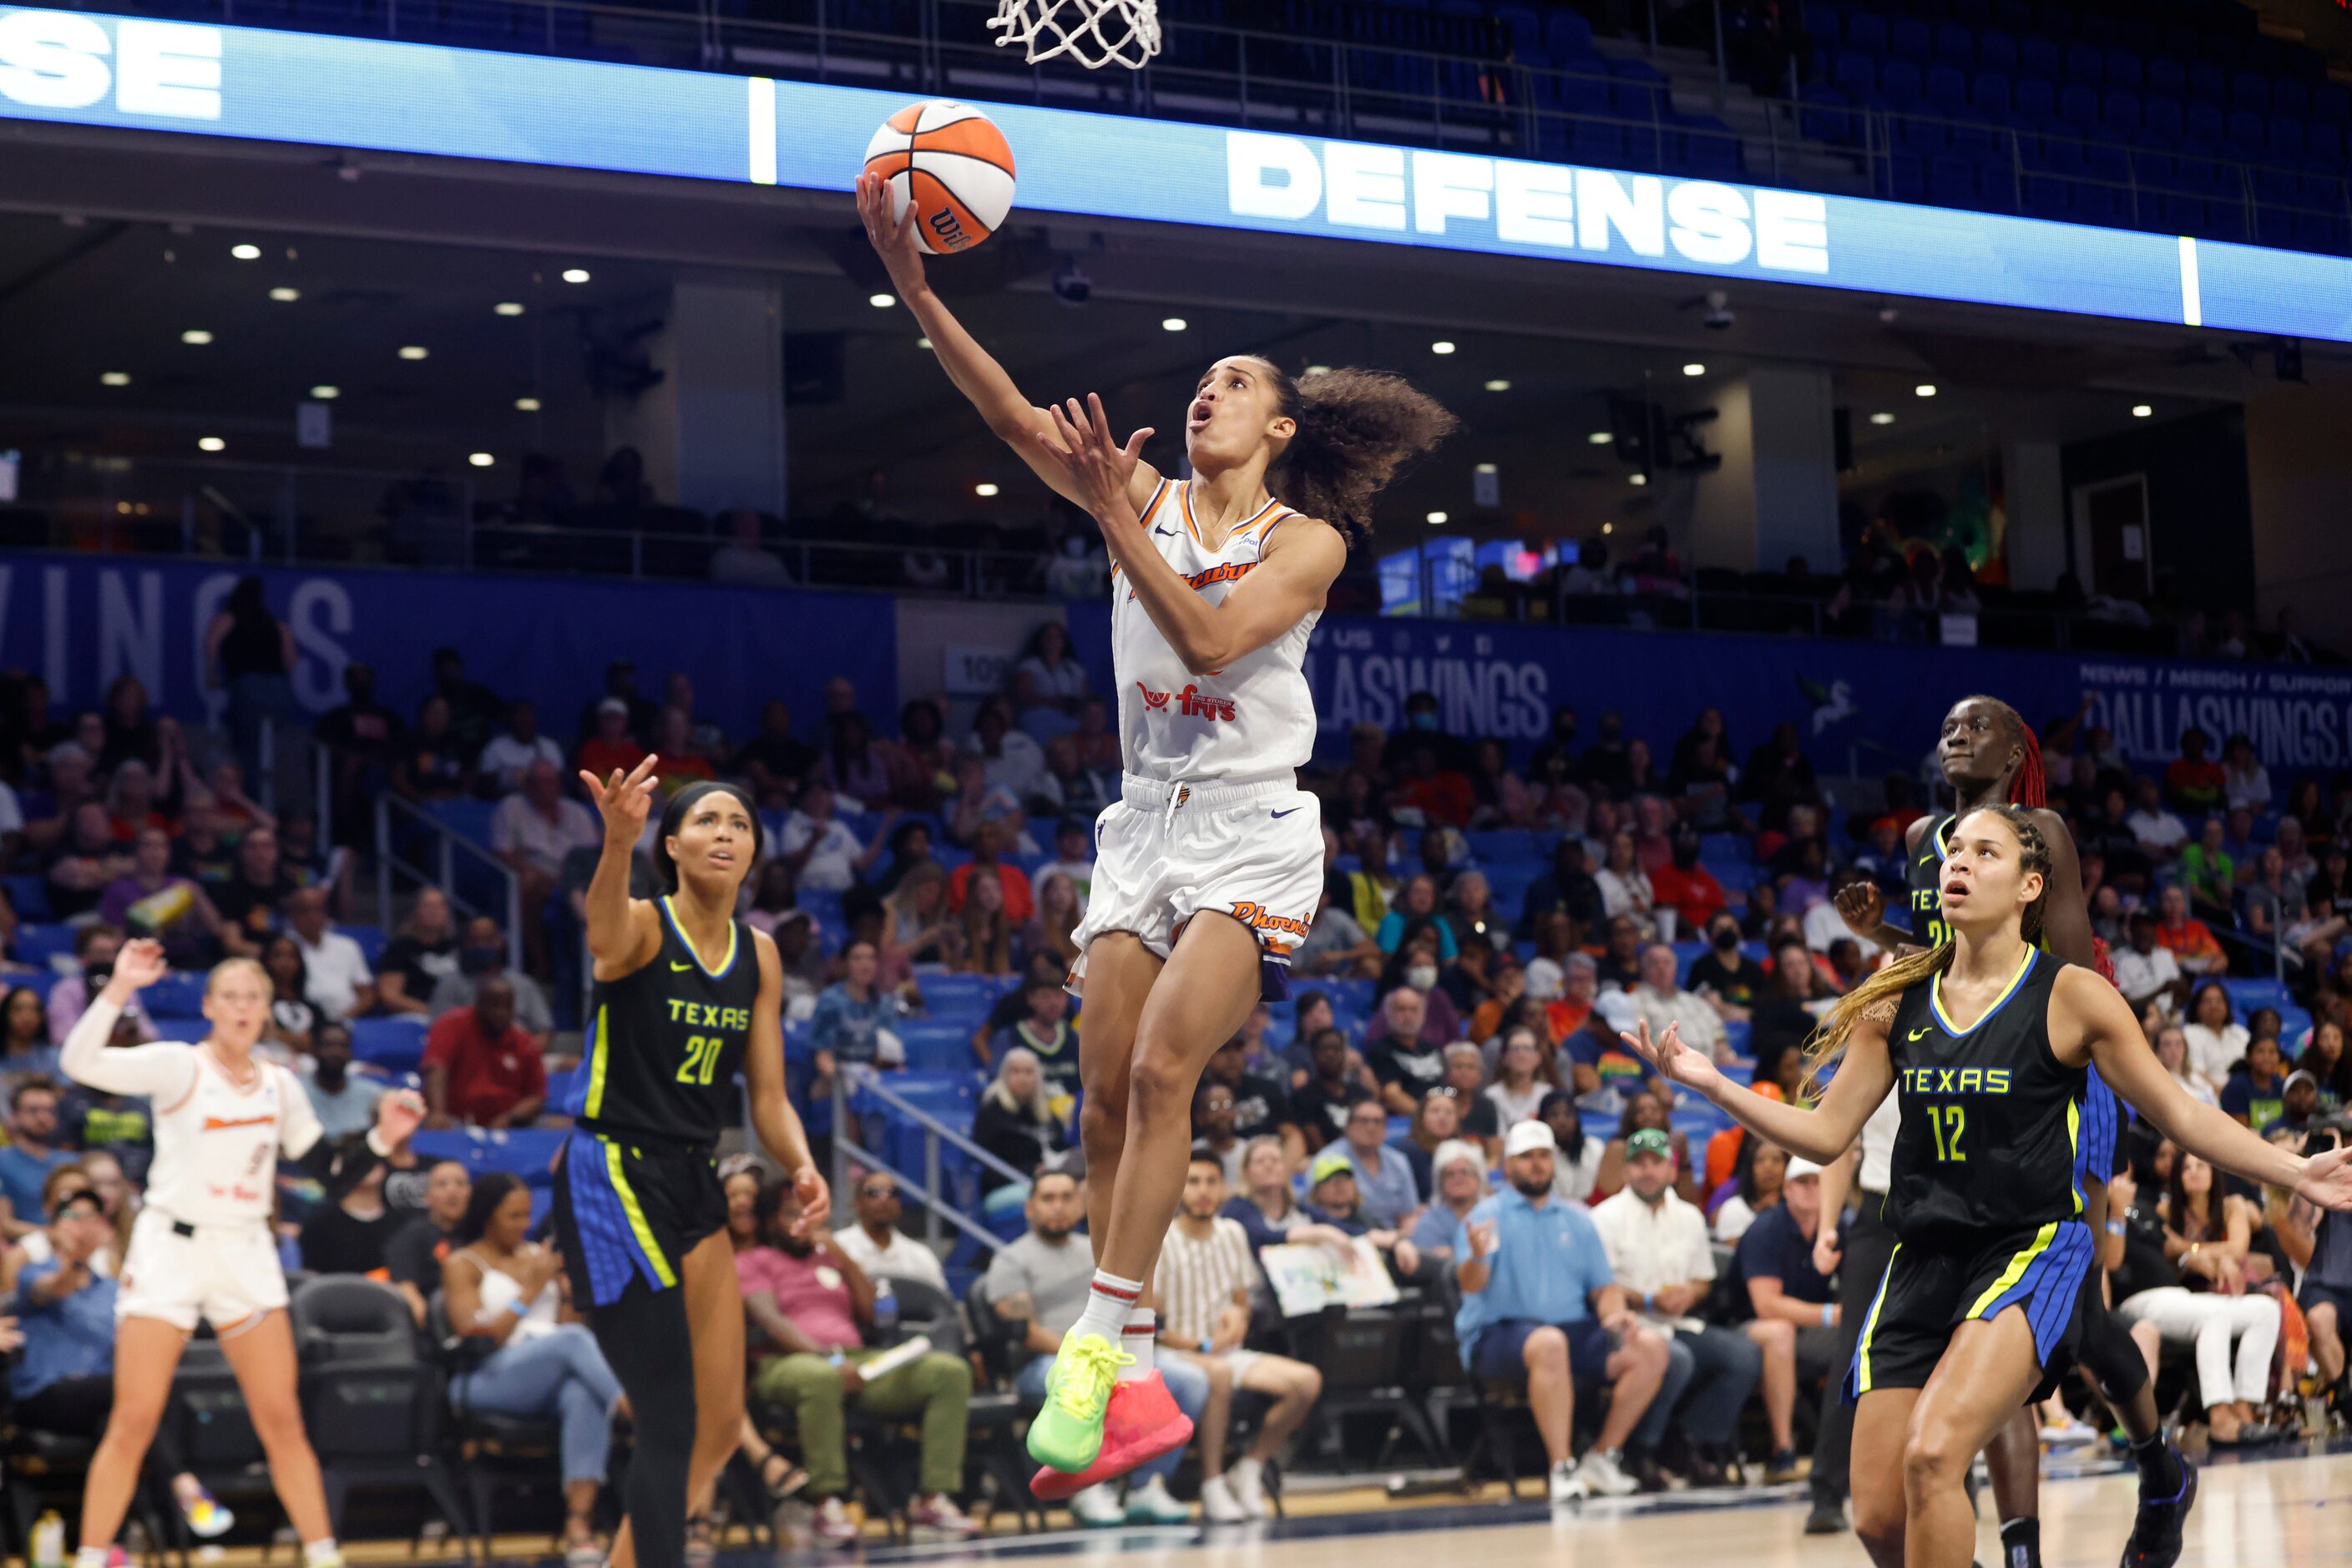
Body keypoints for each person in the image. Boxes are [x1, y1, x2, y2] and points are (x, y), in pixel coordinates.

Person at [863, 168, 1457, 1498]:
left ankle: (1092, 1342)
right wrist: (913, 282)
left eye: (1235, 382)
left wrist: (1112, 509)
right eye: (1200, 381)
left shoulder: (1310, 544)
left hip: (1251, 831)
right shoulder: (1127, 487)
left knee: (1161, 1073)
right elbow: (1003, 407)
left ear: (1281, 422)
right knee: (1100, 1098)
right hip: (1141, 825)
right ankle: (1132, 1370)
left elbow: (1202, 635)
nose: (1208, 392)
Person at [1623, 802, 2352, 1568]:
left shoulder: (2069, 995)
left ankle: (2147, 1478)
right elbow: (1824, 1133)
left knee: (1933, 1455)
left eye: (1983, 852)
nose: (1957, 865)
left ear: (2030, 884)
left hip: (2030, 1245)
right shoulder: (1895, 997)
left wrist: (2294, 1169)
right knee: (1877, 1518)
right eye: (1951, 853)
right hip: (1923, 1255)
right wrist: (1713, 1084)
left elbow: (2178, 1113)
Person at [1832, 694, 2165, 1565]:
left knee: (2079, 1312)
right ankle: (2017, 1550)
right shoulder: (1916, 841)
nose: (1956, 738)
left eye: (1976, 728)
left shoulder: (2040, 831)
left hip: (2056, 1062)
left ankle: (2159, 1468)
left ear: (2017, 751)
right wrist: (1885, 934)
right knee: (1997, 1322)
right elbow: (1958, 952)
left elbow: (2050, 962)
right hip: (1968, 1057)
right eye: (1946, 727)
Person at [56, 943, 423, 1568]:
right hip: (172, 1246)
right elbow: (79, 1061)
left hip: (246, 1250)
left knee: (281, 1418)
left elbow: (332, 1175)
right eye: (229, 996)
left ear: (267, 1009)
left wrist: (382, 1139)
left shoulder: (280, 1084)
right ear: (208, 1008)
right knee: (134, 1418)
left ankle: (323, 1553)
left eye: (253, 997)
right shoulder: (179, 1066)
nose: (242, 1007)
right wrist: (119, 987)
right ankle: (91, 1558)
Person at [555, 767, 827, 1568]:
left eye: (739, 824)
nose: (725, 833)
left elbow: (768, 1096)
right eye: (706, 820)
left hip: (692, 1172)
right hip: (612, 1170)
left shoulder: (761, 956)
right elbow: (601, 935)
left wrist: (803, 1164)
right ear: (671, 845)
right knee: (668, 1414)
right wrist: (614, 841)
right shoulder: (640, 925)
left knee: (714, 1424)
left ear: (753, 854)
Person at [1454, 1119, 1670, 1503]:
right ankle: (1562, 1467)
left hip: (1571, 1329)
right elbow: (1470, 1285)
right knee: (1549, 1343)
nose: (1536, 1164)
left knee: (1650, 1347)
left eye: (1543, 1156)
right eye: (1526, 1157)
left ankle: (1602, 1456)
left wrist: (1615, 1314)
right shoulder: (1486, 1216)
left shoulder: (1577, 1218)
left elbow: (1604, 1288)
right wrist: (1477, 1255)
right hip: (1499, 1334)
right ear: (1507, 1165)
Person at [7, 1181, 236, 1542]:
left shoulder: (113, 1291)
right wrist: (76, 1258)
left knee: (117, 1427)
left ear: (105, 1228)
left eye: (90, 1216)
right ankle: (184, 1485)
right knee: (133, 1397)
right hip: (44, 1396)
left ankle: (111, 1543)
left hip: (102, 1400)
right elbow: (51, 1289)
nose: (81, 1224)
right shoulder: (34, 1271)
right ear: (54, 1226)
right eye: (71, 1216)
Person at [983, 1169, 1210, 1525]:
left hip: (1114, 1351)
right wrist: (1086, 1359)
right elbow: (1022, 1328)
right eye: (1048, 1198)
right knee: (1086, 1382)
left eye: (1066, 1198)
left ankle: (1145, 1486)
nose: (1057, 1207)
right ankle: (1088, 1488)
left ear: (1081, 1205)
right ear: (1029, 1208)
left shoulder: (1103, 1249)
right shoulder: (1011, 1259)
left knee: (1191, 1380)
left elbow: (1151, 1302)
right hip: (1048, 1360)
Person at [443, 1172, 628, 1567]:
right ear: (488, 1215)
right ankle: (633, 1410)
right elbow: (479, 1339)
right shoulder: (463, 1263)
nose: (523, 1224)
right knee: (574, 1343)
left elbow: (564, 1328)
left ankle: (579, 1524)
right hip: (487, 1375)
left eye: (527, 1215)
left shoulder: (538, 1257)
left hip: (549, 1368)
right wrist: (530, 1289)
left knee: (582, 1392)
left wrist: (563, 1291)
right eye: (513, 1216)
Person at [1151, 1156, 1324, 1520]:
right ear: (1179, 1189)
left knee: (1306, 1382)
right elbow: (1157, 1328)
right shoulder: (1161, 1240)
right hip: (1173, 1354)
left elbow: (1242, 1304)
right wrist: (1203, 1346)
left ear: (1224, 1188)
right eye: (1194, 1181)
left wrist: (1237, 1319)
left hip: (1226, 1351)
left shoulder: (1233, 1232)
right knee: (1218, 1373)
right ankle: (1211, 1483)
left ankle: (1249, 1466)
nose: (1203, 1191)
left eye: (1211, 1181)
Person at [1592, 1127, 1764, 1489]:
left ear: (1672, 1170)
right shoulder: (1604, 1218)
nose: (1648, 1171)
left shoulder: (1689, 1216)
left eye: (1656, 1162)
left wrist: (1690, 1294)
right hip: (1630, 1327)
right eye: (1639, 1164)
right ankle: (1642, 1450)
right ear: (1625, 1171)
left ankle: (1690, 1442)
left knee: (1743, 1354)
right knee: (1675, 1357)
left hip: (1681, 1321)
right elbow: (1598, 1287)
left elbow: (1703, 1278)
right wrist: (1649, 1300)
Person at [2106, 1153, 2285, 1447]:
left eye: (2124, 1163)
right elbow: (2111, 1263)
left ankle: (2244, 1407)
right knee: (2214, 1316)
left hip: (2179, 1296)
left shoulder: (2147, 1210)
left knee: (2266, 1310)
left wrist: (2203, 1259)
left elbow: (2174, 1253)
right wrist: (2115, 1211)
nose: (2122, 1172)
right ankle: (2220, 1418)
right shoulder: (2101, 1207)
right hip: (2140, 1301)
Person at [1732, 1153, 1843, 1484]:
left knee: (1867, 1333)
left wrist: (1840, 1316)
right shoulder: (1766, 1230)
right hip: (1747, 1328)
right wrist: (1829, 1314)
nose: (1810, 1190)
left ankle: (1856, 1447)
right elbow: (1766, 1305)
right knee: (1779, 1331)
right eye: (1801, 1182)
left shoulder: (1839, 1228)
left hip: (1811, 1331)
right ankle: (1783, 1452)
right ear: (1786, 1189)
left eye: (1816, 1182)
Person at [492, 760, 602, 977]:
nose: (545, 788)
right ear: (527, 785)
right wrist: (541, 874)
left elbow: (592, 856)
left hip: (576, 880)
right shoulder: (511, 808)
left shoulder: (577, 812)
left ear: (559, 784)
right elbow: (501, 853)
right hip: (537, 880)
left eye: (550, 782)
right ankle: (540, 962)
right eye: (538, 782)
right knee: (528, 883)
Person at [204, 576, 297, 784]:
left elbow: (212, 644)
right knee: (264, 744)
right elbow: (291, 658)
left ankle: (251, 792)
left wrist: (211, 674)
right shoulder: (276, 624)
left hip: (247, 685)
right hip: (278, 689)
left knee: (246, 746)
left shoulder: (229, 618)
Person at [422, 977, 547, 1130]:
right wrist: (438, 1112)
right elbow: (436, 1069)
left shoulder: (524, 1042)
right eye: (494, 1005)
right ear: (479, 1004)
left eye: (506, 1006)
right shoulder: (452, 1024)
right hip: (456, 1121)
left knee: (563, 1127)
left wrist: (509, 1118)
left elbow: (536, 1095)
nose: (500, 1013)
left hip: (509, 1125)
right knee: (433, 1124)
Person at [972, 1048, 1070, 1199]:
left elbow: (1063, 1147)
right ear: (1004, 1075)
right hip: (1006, 1186)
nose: (1023, 1078)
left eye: (1029, 1072)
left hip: (1050, 1179)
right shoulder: (991, 1113)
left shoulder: (1045, 1112)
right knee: (1054, 1195)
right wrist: (1031, 1172)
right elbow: (983, 1167)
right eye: (1015, 1071)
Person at [385, 1158, 471, 1328]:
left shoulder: (479, 1231)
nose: (452, 1191)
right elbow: (405, 1286)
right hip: (436, 1320)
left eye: (460, 1184)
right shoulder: (413, 1234)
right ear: (427, 1196)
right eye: (442, 1184)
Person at [0, 1078, 75, 1237]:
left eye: (50, 1111)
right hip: (21, 1251)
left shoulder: (71, 1161)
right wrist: (54, 1236)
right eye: (33, 1110)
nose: (42, 1118)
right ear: (13, 1116)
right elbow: (4, 1224)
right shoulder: (3, 1161)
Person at [1334, 1098, 1418, 1229]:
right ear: (1348, 1127)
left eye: (1378, 1122)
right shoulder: (1330, 1160)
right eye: (1363, 1121)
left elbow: (1409, 1214)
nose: (1371, 1127)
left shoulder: (1398, 1161)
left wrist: (1401, 1237)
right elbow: (1320, 1211)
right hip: (1346, 1234)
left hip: (1393, 1238)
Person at [377, 888, 460, 1017]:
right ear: (415, 912)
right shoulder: (399, 949)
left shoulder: (459, 946)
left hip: (457, 1015)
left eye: (440, 905)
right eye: (428, 906)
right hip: (417, 1015)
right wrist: (433, 1012)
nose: (434, 911)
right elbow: (390, 996)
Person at [2180, 981, 2248, 1100]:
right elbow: (2197, 1072)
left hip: (2244, 1094)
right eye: (2207, 1001)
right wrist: (2226, 1094)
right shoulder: (2190, 1033)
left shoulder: (2240, 1033)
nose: (2214, 1006)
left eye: (2219, 1001)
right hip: (2209, 1097)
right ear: (2197, 1007)